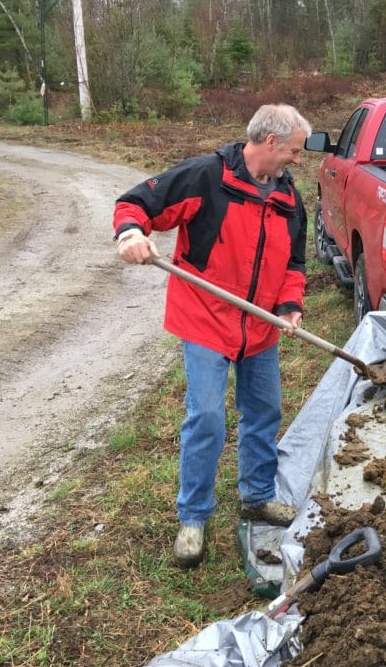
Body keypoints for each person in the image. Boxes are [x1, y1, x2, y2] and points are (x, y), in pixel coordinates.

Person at [113, 103, 311, 568]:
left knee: (263, 412)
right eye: (295, 151)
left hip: (259, 325)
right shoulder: (207, 177)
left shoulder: (286, 196)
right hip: (205, 319)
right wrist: (130, 235)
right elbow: (135, 204)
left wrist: (290, 305)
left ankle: (258, 495)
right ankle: (194, 518)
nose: (298, 161)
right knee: (205, 418)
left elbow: (294, 263)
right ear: (269, 143)